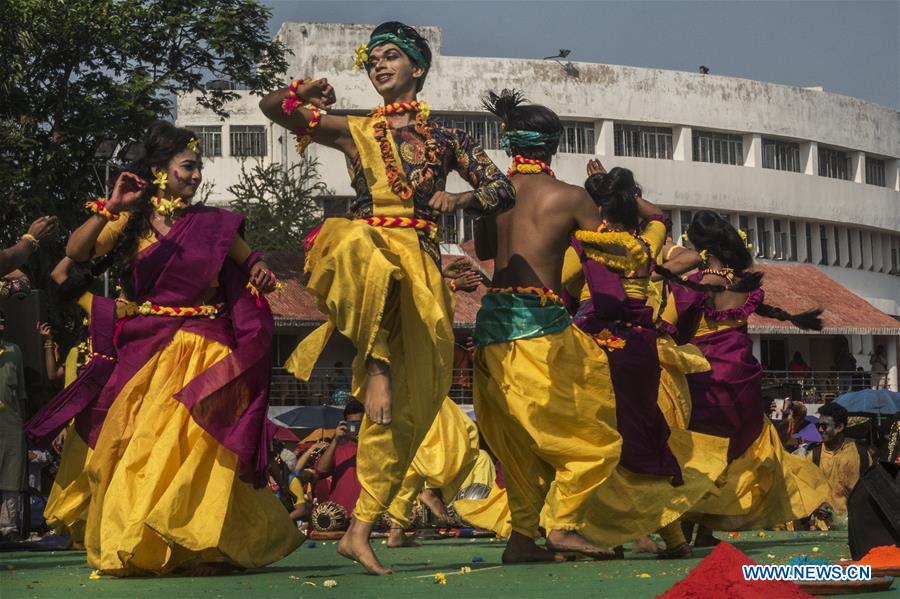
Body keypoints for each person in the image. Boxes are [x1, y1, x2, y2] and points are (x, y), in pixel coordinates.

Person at [269, 22, 514, 575]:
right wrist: (297, 93)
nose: (379, 66)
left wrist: (459, 197)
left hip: (422, 260)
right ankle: (374, 361)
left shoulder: (447, 138)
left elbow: (502, 189)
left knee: (415, 408)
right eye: (372, 59)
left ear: (417, 68)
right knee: (358, 247)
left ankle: (360, 529)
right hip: (370, 245)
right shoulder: (353, 129)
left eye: (390, 57)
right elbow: (277, 112)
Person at [63, 121, 300, 576]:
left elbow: (253, 264)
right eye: (187, 166)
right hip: (148, 352)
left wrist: (262, 273)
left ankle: (201, 545)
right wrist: (111, 206)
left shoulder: (213, 225)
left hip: (205, 351)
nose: (195, 176)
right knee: (139, 448)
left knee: (197, 448)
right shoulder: (128, 223)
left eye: (198, 168)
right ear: (158, 170)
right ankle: (145, 543)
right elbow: (76, 252)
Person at [561, 162, 728, 559]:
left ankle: (601, 533)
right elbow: (657, 216)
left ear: (598, 208)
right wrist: (624, 193)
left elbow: (561, 279)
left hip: (595, 345)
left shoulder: (581, 244)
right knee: (645, 435)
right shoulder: (648, 239)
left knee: (594, 439)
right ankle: (672, 539)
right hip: (639, 347)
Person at [656, 210, 831, 536]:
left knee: (695, 452)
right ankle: (707, 531)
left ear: (699, 247)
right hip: (741, 381)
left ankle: (681, 527)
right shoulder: (744, 284)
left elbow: (666, 325)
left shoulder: (698, 283)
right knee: (731, 453)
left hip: (705, 379)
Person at [806, 402, 874, 516]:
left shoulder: (861, 455)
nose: (820, 430)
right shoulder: (813, 456)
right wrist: (817, 505)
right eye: (819, 426)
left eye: (824, 426)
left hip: (854, 525)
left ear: (839, 427)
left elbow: (872, 491)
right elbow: (805, 491)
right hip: (822, 528)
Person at [313, 399, 365, 531]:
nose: (355, 428)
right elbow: (320, 472)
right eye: (351, 423)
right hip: (338, 519)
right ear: (344, 424)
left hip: (368, 519)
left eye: (360, 423)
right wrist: (335, 439)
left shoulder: (379, 447)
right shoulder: (338, 448)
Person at [0, 309, 27, 541]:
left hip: (10, 419)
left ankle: (7, 526)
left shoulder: (13, 350)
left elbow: (21, 392)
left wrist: (23, 422)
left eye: (2, 322)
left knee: (11, 469)